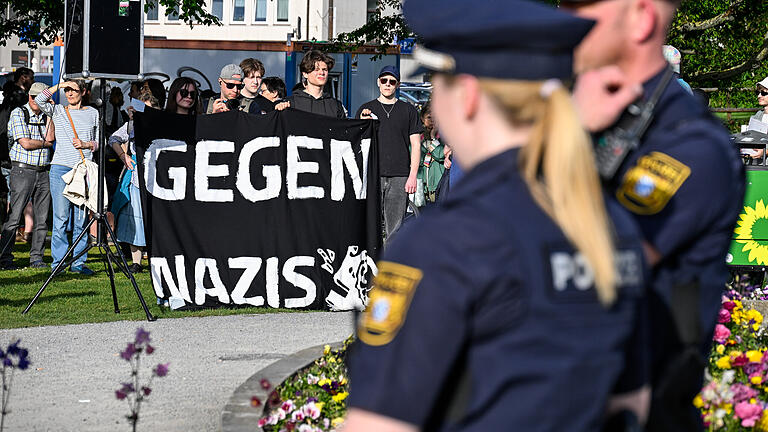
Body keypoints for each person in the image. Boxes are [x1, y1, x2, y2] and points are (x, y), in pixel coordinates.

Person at [344, 0, 650, 430]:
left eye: (436, 82)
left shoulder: (445, 242)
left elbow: (378, 424)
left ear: (467, 95)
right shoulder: (611, 226)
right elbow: (631, 404)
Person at [562, 0, 745, 429]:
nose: (565, 18)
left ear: (642, 19)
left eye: (582, 7)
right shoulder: (593, 115)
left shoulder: (688, 143)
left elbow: (578, 269)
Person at [36, 80, 100, 276]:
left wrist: (86, 144)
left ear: (84, 92)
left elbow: (100, 142)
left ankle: (78, 263)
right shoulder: (58, 111)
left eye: (74, 90)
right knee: (61, 219)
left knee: (81, 220)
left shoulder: (93, 113)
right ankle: (59, 263)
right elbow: (39, 99)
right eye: (68, 91)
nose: (70, 93)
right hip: (60, 169)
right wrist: (61, 84)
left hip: (82, 169)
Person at [356, 66, 422, 238]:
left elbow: (416, 144)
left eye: (392, 81)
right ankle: (372, 262)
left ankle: (389, 263)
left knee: (395, 228)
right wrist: (363, 123)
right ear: (378, 82)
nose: (387, 84)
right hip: (372, 173)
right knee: (369, 224)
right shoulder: (366, 109)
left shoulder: (408, 110)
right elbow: (356, 143)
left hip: (400, 176)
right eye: (384, 80)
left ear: (397, 85)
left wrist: (413, 175)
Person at [0, 82, 53, 270]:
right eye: (39, 99)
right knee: (14, 217)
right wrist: (45, 144)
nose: (42, 102)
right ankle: (5, 258)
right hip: (22, 170)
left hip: (43, 170)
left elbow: (51, 138)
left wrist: (52, 113)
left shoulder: (47, 114)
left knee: (42, 219)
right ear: (31, 97)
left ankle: (36, 258)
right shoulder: (18, 113)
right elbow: (25, 143)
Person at [110, 91, 158, 276]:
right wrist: (124, 156)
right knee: (135, 219)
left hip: (158, 178)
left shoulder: (161, 125)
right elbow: (113, 139)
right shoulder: (131, 124)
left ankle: (156, 259)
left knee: (155, 220)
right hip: (137, 178)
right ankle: (136, 262)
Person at [280, 50, 346, 118]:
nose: (321, 73)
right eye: (316, 69)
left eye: (324, 69)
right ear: (305, 74)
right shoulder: (291, 104)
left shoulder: (335, 106)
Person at [418, 102, 449, 204]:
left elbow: (440, 155)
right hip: (423, 182)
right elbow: (418, 159)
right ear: (422, 118)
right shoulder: (418, 137)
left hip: (437, 182)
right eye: (429, 117)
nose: (432, 121)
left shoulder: (443, 136)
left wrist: (433, 137)